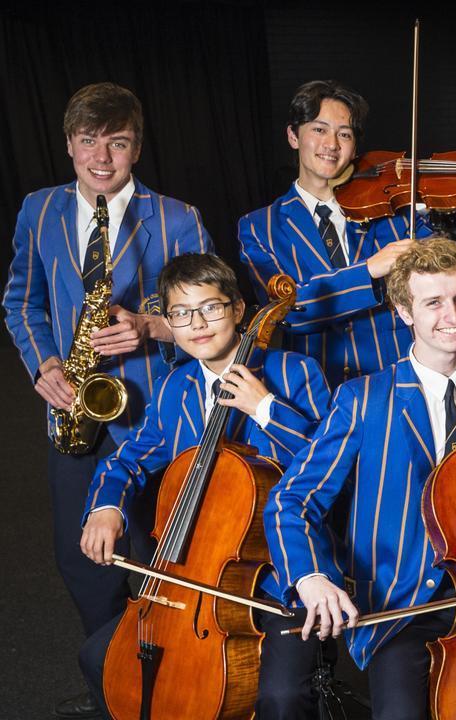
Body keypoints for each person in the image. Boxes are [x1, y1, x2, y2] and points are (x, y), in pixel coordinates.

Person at [264, 237, 456, 719]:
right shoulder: (363, 398)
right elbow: (292, 501)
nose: (454, 315)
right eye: (433, 302)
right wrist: (310, 576)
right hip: (403, 607)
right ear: (404, 312)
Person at [1, 81, 210, 718]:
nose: (101, 156)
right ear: (69, 144)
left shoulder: (177, 218)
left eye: (116, 142)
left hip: (156, 420)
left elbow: (209, 318)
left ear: (136, 148)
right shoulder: (38, 211)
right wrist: (45, 363)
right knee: (81, 561)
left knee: (156, 555)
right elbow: (22, 301)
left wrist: (152, 325)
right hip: (75, 414)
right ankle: (115, 683)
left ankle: (175, 687)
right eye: (88, 140)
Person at [74, 252, 330, 717]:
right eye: (181, 313)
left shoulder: (295, 373)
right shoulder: (177, 388)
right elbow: (125, 460)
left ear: (237, 309)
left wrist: (265, 407)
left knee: (280, 697)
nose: (197, 323)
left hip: (278, 576)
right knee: (97, 657)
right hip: (194, 575)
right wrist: (106, 506)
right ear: (169, 321)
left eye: (210, 307)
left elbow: (328, 462)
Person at [239, 79, 456, 389]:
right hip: (317, 390)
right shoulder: (260, 227)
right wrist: (368, 270)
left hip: (398, 384)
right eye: (319, 129)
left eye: (345, 134)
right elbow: (291, 314)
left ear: (354, 148)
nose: (332, 144)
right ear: (293, 136)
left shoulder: (393, 215)